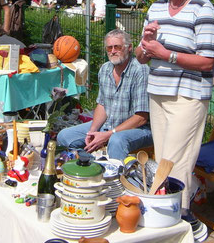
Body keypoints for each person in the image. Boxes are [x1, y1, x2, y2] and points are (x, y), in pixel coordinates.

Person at [135, 0, 214, 241]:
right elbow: (141, 56)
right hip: (158, 93)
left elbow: (208, 60)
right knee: (165, 161)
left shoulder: (203, 8)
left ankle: (179, 221)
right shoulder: (156, 8)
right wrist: (145, 44)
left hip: (189, 96)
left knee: (174, 161)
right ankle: (183, 218)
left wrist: (166, 53)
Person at [57, 29, 153, 161]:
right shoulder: (105, 69)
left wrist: (108, 134)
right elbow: (102, 105)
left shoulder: (140, 70)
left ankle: (117, 177)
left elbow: (141, 117)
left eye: (117, 47)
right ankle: (93, 164)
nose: (113, 51)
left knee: (117, 141)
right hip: (108, 126)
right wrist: (93, 132)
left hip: (138, 130)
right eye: (109, 48)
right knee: (64, 136)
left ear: (129, 48)